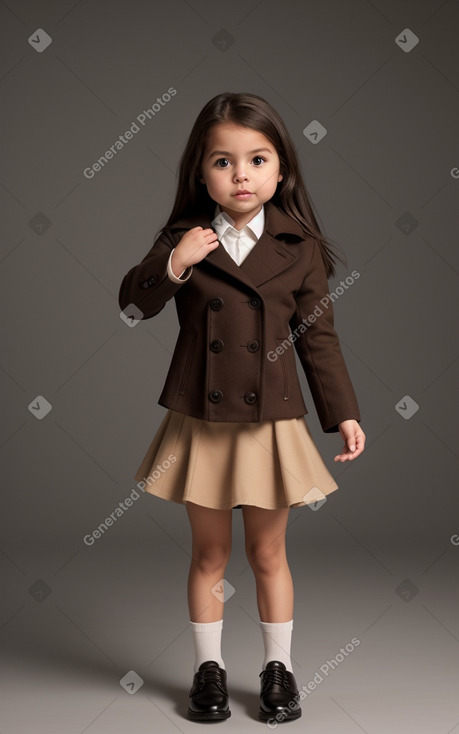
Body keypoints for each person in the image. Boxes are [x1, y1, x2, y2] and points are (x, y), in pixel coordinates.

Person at [118, 92, 366, 723]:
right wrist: (175, 263)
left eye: (257, 160)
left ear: (281, 170)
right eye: (223, 162)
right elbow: (132, 305)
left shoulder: (300, 246)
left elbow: (318, 336)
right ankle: (209, 672)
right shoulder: (184, 239)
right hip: (203, 418)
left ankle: (278, 671)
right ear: (201, 172)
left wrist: (343, 413)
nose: (242, 175)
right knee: (208, 555)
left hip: (270, 422)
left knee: (267, 554)